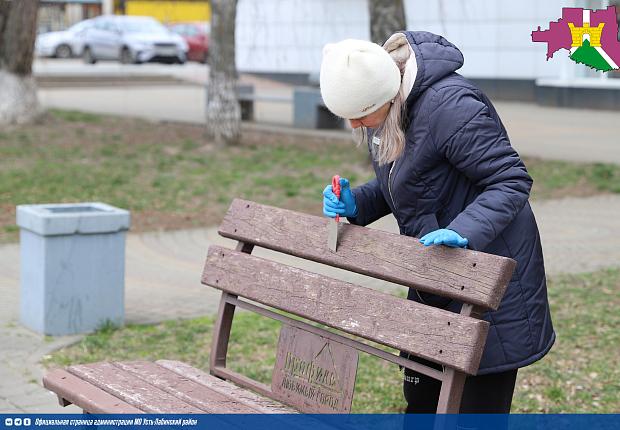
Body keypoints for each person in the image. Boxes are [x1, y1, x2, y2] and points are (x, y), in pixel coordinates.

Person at [320, 31, 555, 414]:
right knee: (423, 401)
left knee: (475, 411)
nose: (354, 125)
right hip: (437, 272)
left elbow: (510, 180)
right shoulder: (384, 105)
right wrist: (356, 203)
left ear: (386, 95)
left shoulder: (452, 106)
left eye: (359, 115)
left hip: (489, 274)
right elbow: (410, 184)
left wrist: (464, 230)